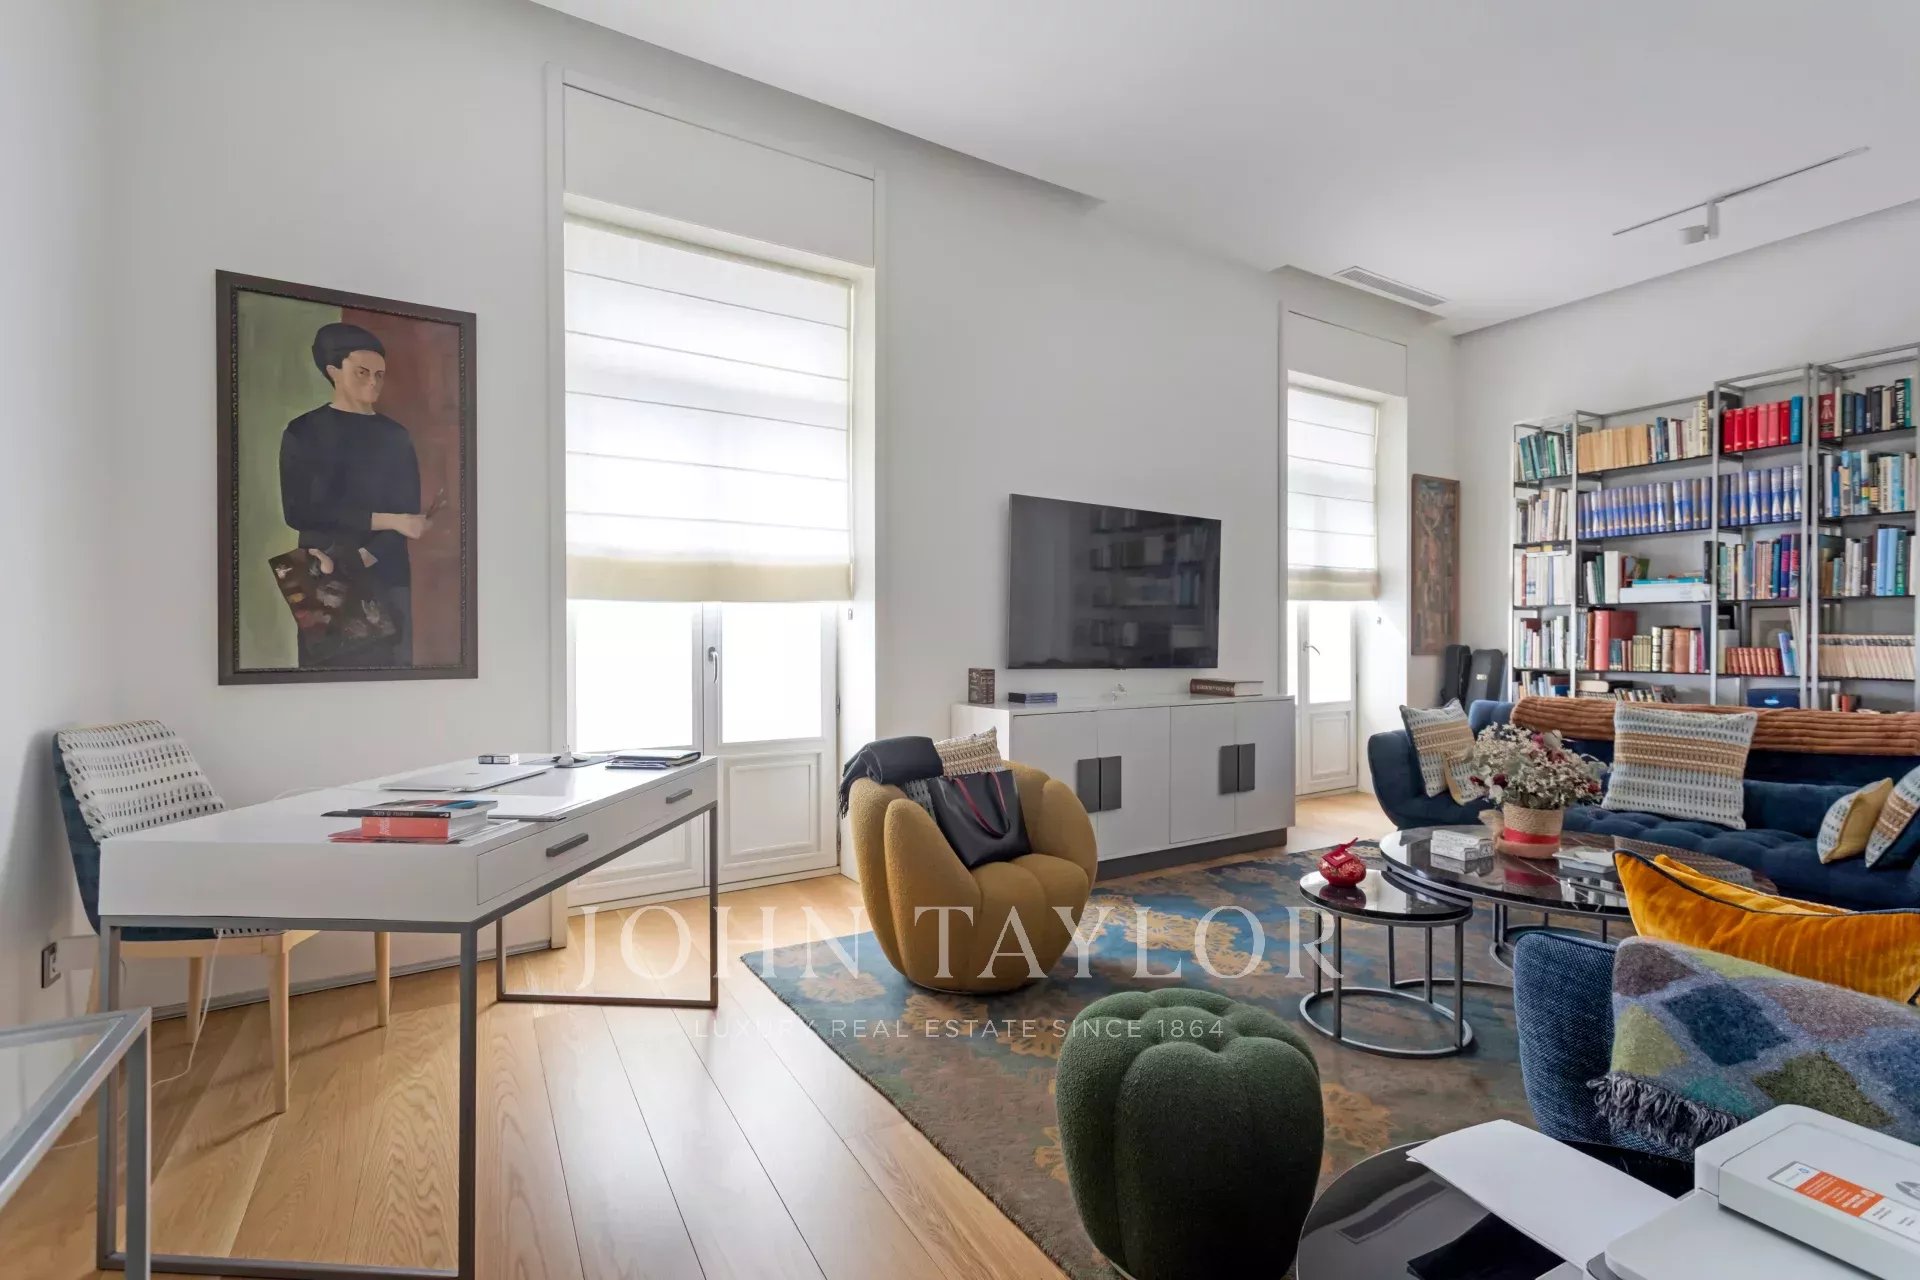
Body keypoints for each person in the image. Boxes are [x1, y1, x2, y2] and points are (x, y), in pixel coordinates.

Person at [279, 322, 430, 667]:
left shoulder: (396, 437)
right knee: (322, 680)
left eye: (380, 374)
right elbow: (298, 512)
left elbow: (408, 515)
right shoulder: (303, 432)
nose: (373, 382)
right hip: (324, 576)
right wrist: (386, 520)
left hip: (387, 576)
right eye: (362, 372)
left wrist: (364, 557)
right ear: (333, 371)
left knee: (394, 679)